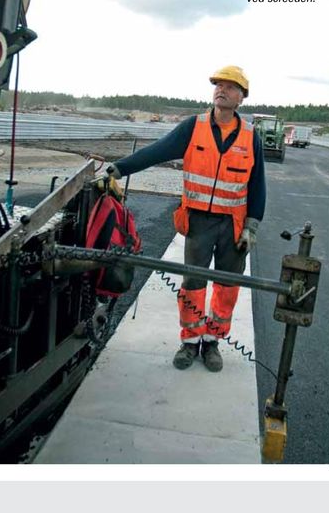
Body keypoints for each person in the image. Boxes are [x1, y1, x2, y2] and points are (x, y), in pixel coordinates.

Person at [100, 65, 265, 373]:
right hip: (199, 223)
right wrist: (119, 168)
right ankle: (190, 341)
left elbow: (257, 184)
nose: (222, 90)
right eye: (218, 84)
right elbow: (158, 151)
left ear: (241, 97)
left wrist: (251, 227)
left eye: (230, 87)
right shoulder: (195, 126)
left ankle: (212, 342)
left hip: (233, 225)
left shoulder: (250, 136)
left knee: (227, 286)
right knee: (193, 284)